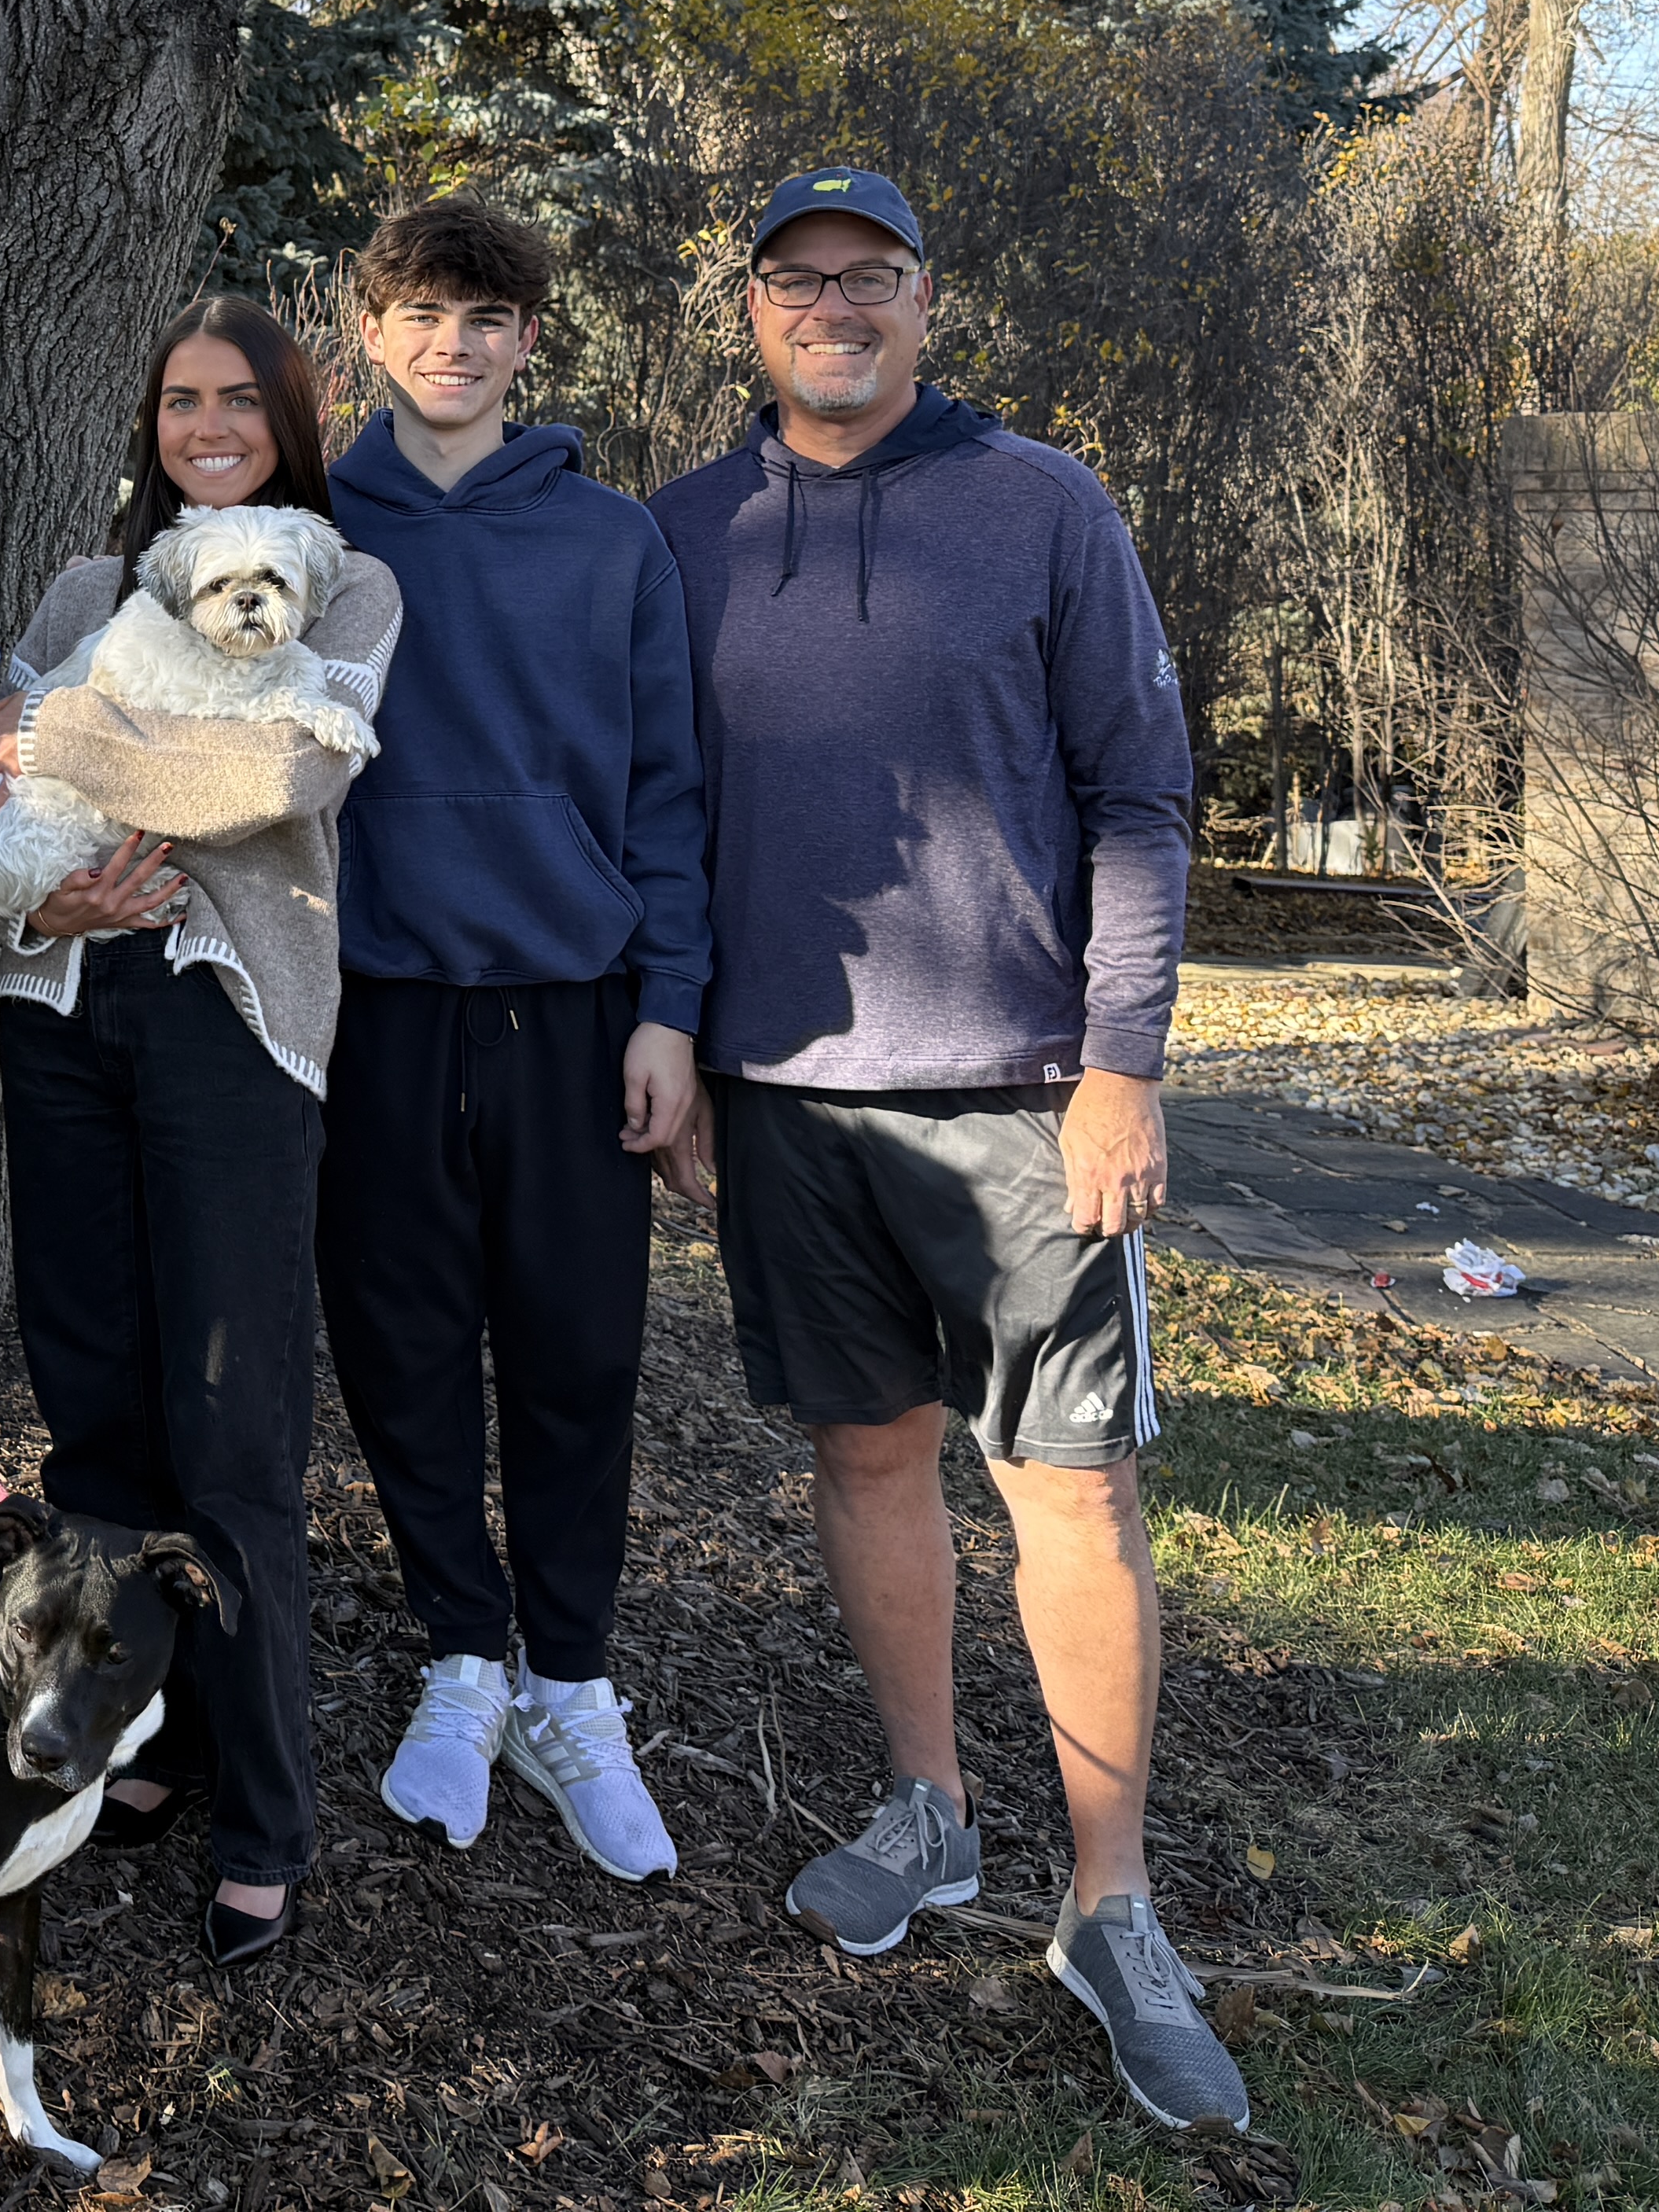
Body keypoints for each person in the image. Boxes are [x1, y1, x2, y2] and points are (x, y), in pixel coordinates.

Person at [647, 168, 1239, 2131]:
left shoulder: (1045, 507)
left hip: (1022, 1092)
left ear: (926, 301)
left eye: (872, 277)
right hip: (786, 1091)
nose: (835, 307)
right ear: (752, 310)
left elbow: (1141, 797)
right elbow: (665, 813)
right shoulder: (685, 533)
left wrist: (1122, 1064)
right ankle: (930, 1810)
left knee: (1069, 1488)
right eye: (797, 279)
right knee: (865, 1453)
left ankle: (1111, 1904)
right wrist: (687, 1043)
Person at [0, 294, 397, 1967]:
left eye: (241, 402)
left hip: (236, 1029)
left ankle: (265, 1810)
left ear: (291, 420)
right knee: (93, 1407)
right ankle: (135, 1735)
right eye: (181, 401)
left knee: (230, 1437)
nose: (209, 428)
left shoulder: (348, 586)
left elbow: (275, 781)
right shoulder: (85, 593)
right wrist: (47, 889)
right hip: (63, 1006)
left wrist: (63, 731)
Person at [319, 195, 710, 1883]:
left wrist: (671, 1010)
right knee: (400, 1352)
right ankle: (462, 1659)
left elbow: (670, 797)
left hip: (574, 1012)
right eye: (421, 312)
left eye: (485, 318)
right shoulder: (311, 530)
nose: (454, 345)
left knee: (577, 1357)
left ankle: (572, 1682)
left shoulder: (614, 542)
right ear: (370, 332)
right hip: (377, 1010)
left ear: (528, 342)